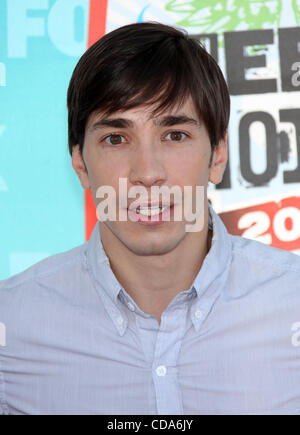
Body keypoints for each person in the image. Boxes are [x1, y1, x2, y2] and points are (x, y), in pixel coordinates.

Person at [0, 22, 300, 416]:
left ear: (219, 153)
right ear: (80, 163)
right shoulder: (12, 328)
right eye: (116, 138)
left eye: (175, 135)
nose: (147, 172)